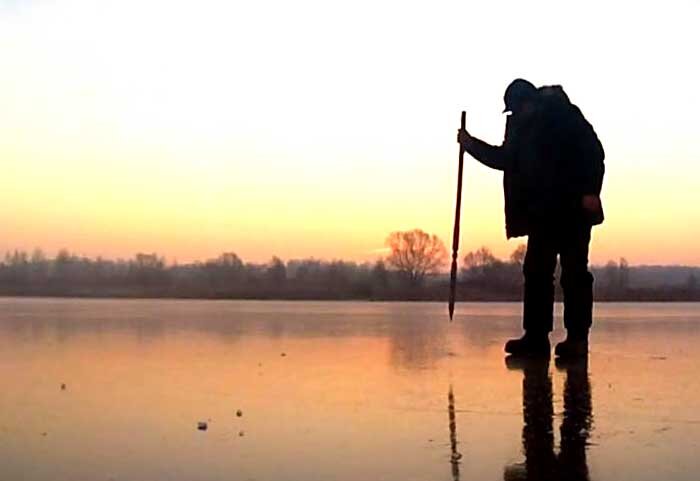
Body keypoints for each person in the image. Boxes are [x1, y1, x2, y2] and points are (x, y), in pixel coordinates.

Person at [458, 79, 605, 358]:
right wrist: (471, 145)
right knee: (536, 273)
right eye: (512, 111)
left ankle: (577, 339)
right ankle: (536, 338)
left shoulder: (565, 116)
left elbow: (594, 153)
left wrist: (590, 190)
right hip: (542, 212)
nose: (515, 114)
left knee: (574, 274)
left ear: (532, 102)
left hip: (573, 209)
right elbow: (506, 159)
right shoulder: (520, 127)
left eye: (518, 108)